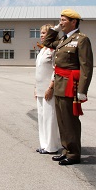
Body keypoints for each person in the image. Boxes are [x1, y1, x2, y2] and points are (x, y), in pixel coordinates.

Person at [43, 9, 93, 166]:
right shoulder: (64, 39)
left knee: (70, 121)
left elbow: (87, 67)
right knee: (62, 121)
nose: (61, 22)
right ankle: (66, 150)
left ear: (74, 22)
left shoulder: (81, 40)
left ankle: (73, 154)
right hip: (59, 85)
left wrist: (82, 91)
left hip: (71, 85)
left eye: (63, 20)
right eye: (60, 20)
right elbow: (47, 43)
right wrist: (54, 29)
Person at [34, 24, 59, 155]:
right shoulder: (42, 50)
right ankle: (44, 144)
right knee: (42, 117)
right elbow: (38, 71)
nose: (42, 35)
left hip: (49, 89)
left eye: (45, 33)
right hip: (40, 89)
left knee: (50, 118)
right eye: (41, 33)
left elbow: (56, 70)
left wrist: (51, 87)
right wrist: (35, 88)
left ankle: (52, 146)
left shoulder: (54, 50)